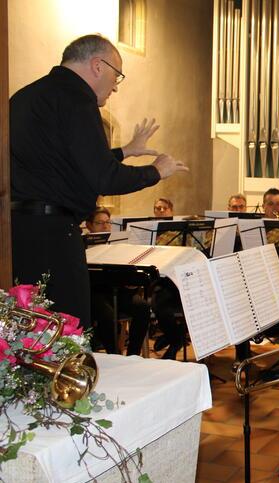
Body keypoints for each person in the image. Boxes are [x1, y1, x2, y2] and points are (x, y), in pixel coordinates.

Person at [10, 34, 188, 327]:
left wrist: (124, 151)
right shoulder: (78, 99)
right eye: (117, 75)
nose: (116, 86)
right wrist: (156, 170)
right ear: (97, 65)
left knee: (26, 333)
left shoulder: (25, 97)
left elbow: (66, 165)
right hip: (55, 237)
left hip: (18, 235)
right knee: (66, 333)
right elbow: (104, 178)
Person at [85, 207, 151, 356]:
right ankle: (113, 354)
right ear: (89, 225)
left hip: (119, 291)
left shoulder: (117, 243)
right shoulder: (84, 245)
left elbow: (126, 270)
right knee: (107, 314)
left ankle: (133, 354)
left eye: (108, 222)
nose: (105, 227)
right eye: (99, 223)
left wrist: (131, 282)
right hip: (96, 294)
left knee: (143, 307)